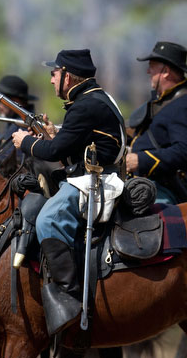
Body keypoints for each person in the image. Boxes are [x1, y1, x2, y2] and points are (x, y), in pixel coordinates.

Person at [11, 48, 125, 335]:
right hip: (89, 174)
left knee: (47, 219)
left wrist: (25, 141)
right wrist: (53, 134)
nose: (51, 80)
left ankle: (68, 294)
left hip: (94, 180)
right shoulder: (92, 99)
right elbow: (71, 145)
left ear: (69, 76)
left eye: (54, 73)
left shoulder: (86, 105)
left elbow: (54, 152)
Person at [126, 41, 187, 204]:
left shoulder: (186, 105)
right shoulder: (163, 101)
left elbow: (185, 152)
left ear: (166, 72)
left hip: (170, 186)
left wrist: (141, 160)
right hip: (149, 181)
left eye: (152, 66)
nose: (148, 71)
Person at [0, 75, 38, 176]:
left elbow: (10, 161)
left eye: (0, 101)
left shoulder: (25, 126)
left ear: (15, 102)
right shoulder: (14, 123)